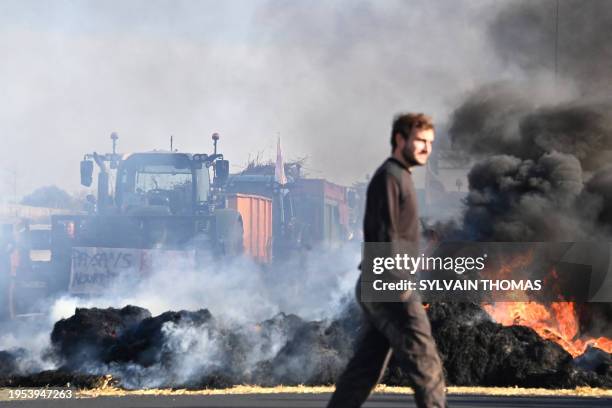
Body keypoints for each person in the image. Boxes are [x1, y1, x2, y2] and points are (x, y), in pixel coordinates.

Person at [327, 113, 447, 408]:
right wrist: (400, 286)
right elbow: (384, 236)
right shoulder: (390, 178)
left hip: (381, 282)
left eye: (430, 142)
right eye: (420, 141)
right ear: (400, 140)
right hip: (389, 284)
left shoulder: (400, 176)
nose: (426, 148)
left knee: (365, 368)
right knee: (425, 360)